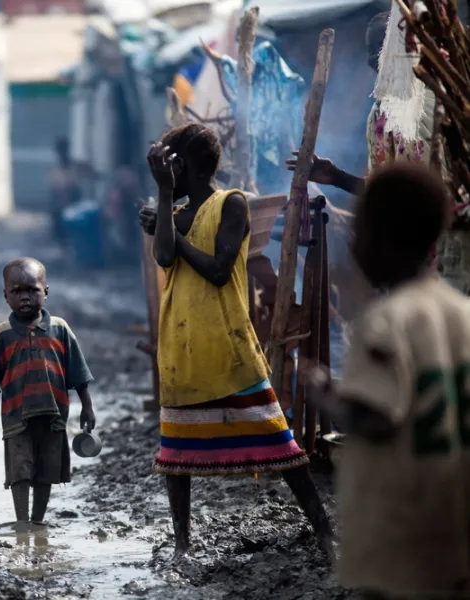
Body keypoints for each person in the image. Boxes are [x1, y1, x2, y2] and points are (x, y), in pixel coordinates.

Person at [138, 123, 333, 557]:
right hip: (184, 348)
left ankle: (324, 530)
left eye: (168, 165)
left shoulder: (232, 204)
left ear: (181, 165)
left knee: (280, 442)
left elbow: (219, 269)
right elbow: (165, 256)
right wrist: (167, 206)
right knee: (177, 459)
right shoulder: (177, 211)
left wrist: (171, 221)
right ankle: (183, 547)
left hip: (228, 346)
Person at [308, 163, 470, 600]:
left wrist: (326, 395)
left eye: (358, 231)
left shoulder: (383, 323)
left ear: (381, 239)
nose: (354, 245)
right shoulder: (462, 314)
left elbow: (375, 419)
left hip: (399, 537)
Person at [0, 258, 96, 529]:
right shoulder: (1, 335)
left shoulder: (60, 329)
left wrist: (87, 407)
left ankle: (38, 521)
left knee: (47, 471)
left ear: (45, 292)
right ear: (6, 296)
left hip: (54, 415)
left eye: (32, 290)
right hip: (16, 417)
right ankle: (22, 521)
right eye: (16, 292)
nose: (25, 297)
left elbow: (79, 374)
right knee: (20, 470)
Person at [286, 10, 434, 194]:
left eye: (381, 47)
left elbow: (413, 194)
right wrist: (337, 177)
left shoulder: (432, 101)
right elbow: (383, 194)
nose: (372, 60)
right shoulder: (380, 113)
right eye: (371, 50)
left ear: (405, 48)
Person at [47, 137, 81, 246]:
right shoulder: (55, 168)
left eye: (64, 149)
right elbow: (55, 188)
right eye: (61, 149)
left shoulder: (74, 166)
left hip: (73, 203)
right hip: (60, 206)